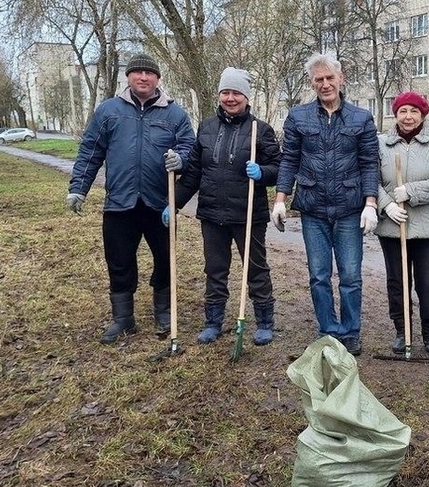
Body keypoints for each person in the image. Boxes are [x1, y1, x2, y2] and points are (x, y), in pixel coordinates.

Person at [66, 53, 194, 344]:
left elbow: (190, 147)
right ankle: (123, 319)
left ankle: (164, 311)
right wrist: (78, 188)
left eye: (149, 73)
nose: (143, 78)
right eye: (137, 72)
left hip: (159, 203)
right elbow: (91, 150)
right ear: (128, 77)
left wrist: (181, 159)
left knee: (165, 259)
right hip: (119, 203)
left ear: (158, 79)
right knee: (120, 261)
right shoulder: (109, 111)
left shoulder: (174, 114)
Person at [162, 67, 281, 346]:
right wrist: (174, 203)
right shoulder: (206, 127)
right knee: (215, 269)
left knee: (255, 268)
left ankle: (264, 321)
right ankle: (213, 321)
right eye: (225, 92)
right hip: (212, 213)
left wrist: (263, 172)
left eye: (236, 93)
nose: (230, 98)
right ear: (219, 95)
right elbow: (193, 174)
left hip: (248, 213)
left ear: (246, 97)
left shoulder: (259, 131)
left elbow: (280, 168)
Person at [271, 52, 379, 356]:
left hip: (348, 207)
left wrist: (370, 203)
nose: (325, 84)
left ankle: (351, 331)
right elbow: (289, 159)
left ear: (341, 78)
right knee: (318, 274)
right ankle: (328, 329)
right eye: (319, 79)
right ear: (312, 83)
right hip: (313, 208)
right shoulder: (298, 117)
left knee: (350, 274)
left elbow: (369, 162)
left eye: (330, 77)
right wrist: (281, 199)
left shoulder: (361, 118)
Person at [375, 91, 429, 356]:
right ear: (395, 114)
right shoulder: (381, 143)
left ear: (423, 115)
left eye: (414, 112)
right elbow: (370, 178)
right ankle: (401, 329)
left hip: (428, 225)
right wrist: (387, 204)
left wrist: (411, 192)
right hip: (392, 225)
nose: (408, 117)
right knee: (397, 281)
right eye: (403, 111)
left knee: (428, 281)